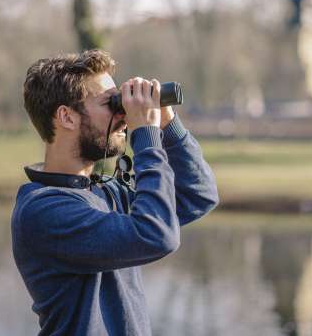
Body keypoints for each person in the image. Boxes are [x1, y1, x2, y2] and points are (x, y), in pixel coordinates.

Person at [11, 49, 219, 336]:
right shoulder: (43, 211)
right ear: (66, 117)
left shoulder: (105, 190)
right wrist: (146, 136)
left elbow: (198, 194)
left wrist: (168, 125)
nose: (122, 115)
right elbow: (156, 236)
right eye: (111, 103)